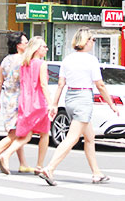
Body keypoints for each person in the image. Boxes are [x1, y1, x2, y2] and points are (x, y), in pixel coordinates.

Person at [38, 28, 119, 186]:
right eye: (92, 40)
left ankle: (96, 173)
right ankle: (50, 168)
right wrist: (111, 104)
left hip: (70, 98)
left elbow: (61, 83)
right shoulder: (91, 60)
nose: (93, 43)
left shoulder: (67, 59)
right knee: (73, 137)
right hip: (83, 99)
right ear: (86, 41)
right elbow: (100, 84)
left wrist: (55, 104)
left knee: (90, 138)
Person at [0, 36, 55, 174]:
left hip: (24, 101)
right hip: (38, 102)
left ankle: (7, 155)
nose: (46, 49)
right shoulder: (41, 64)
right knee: (44, 134)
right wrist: (51, 103)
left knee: (26, 134)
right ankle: (39, 165)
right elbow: (44, 85)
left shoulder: (24, 63)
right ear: (37, 49)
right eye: (44, 46)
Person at [0, 31, 35, 174]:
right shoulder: (24, 60)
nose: (27, 44)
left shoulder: (5, 60)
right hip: (19, 99)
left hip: (7, 98)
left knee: (16, 132)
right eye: (25, 42)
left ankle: (23, 163)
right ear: (19, 45)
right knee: (16, 134)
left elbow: (0, 81)